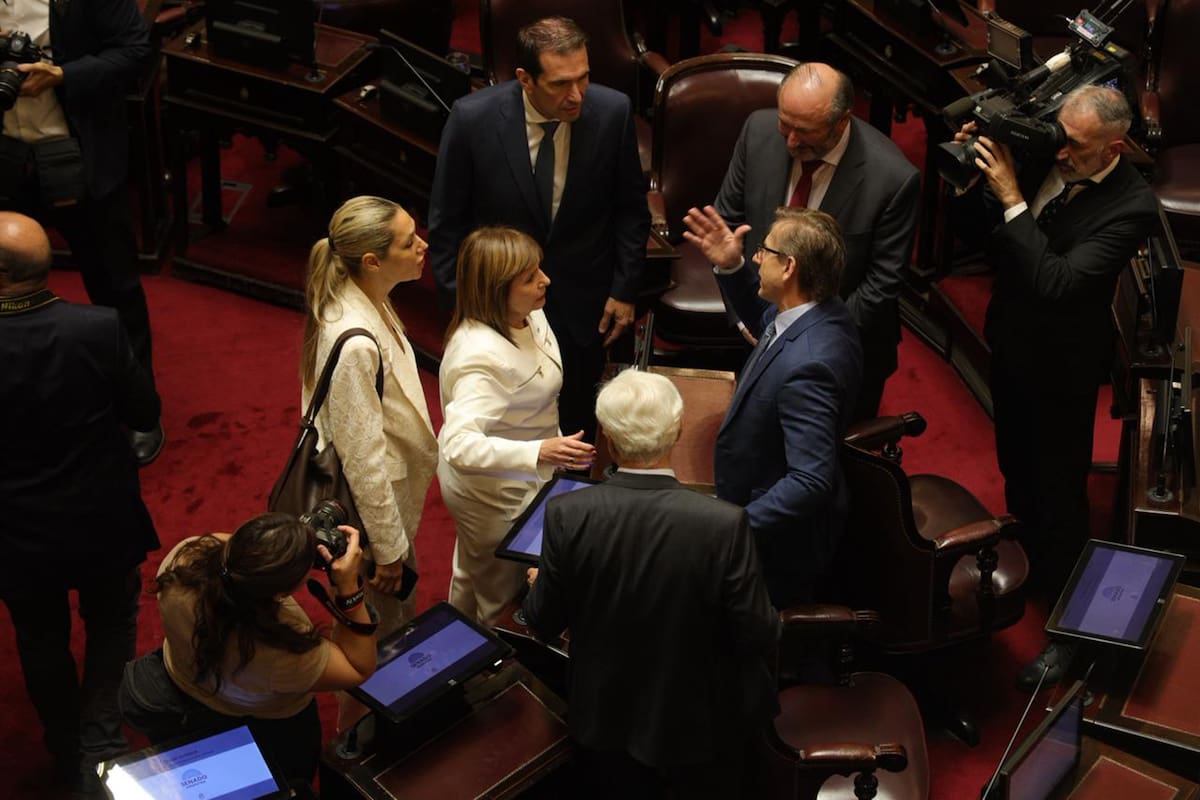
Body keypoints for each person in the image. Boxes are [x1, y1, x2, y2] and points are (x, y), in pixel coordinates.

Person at [953, 85, 1158, 689]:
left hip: (1063, 369)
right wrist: (975, 176)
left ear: (1113, 147)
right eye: (1059, 135)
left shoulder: (1133, 206)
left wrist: (1012, 196)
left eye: (1076, 144)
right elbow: (978, 235)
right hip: (1010, 340)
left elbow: (1059, 282)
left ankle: (1068, 633)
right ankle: (1034, 563)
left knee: (1061, 494)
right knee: (1016, 464)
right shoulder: (1046, 147)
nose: (1060, 151)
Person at [523, 369, 779, 799]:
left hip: (604, 720)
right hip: (700, 728)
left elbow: (542, 623)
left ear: (607, 436)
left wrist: (539, 584)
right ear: (677, 431)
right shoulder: (723, 524)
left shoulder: (567, 514)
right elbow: (759, 633)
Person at [428, 15, 650, 442]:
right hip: (499, 311)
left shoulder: (612, 112)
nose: (576, 95)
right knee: (509, 431)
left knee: (578, 426)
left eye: (583, 78)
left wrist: (624, 290)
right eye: (560, 84)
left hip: (585, 306)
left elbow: (630, 211)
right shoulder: (472, 120)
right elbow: (446, 225)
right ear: (525, 79)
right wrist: (463, 309)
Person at [0, 211, 159, 796]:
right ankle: (99, 736)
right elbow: (144, 414)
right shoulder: (97, 327)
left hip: (15, 533)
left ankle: (67, 746)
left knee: (39, 635)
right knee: (112, 623)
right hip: (101, 517)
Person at [0, 0, 163, 463]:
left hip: (78, 155)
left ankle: (141, 411)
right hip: (8, 160)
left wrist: (63, 75)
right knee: (7, 288)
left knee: (114, 286)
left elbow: (135, 49)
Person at [712, 62, 918, 421]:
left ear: (842, 121)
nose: (790, 141)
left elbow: (881, 284)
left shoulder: (893, 179)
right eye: (785, 124)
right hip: (755, 332)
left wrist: (804, 339)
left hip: (841, 347)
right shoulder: (758, 131)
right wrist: (745, 316)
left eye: (804, 131)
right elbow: (728, 221)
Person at [684, 205, 862, 607]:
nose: (756, 257)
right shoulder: (818, 312)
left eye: (765, 250)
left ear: (790, 268)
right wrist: (732, 268)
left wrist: (733, 527)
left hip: (774, 548)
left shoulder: (812, 363)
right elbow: (768, 321)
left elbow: (811, 480)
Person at [120, 513, 377, 786]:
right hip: (268, 724)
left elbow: (228, 550)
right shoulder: (282, 651)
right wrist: (349, 589)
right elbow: (358, 668)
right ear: (280, 595)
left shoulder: (181, 561)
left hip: (187, 682)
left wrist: (279, 544)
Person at [439, 226, 596, 626]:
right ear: (496, 289)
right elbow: (456, 445)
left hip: (523, 475)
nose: (545, 280)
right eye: (529, 278)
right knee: (498, 592)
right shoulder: (480, 357)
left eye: (538, 269)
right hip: (492, 492)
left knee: (472, 569)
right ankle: (490, 668)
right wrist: (539, 452)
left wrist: (550, 444)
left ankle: (457, 632)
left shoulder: (529, 313)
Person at [301, 195, 438, 636]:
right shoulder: (356, 341)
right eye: (408, 242)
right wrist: (388, 550)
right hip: (375, 519)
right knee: (382, 643)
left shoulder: (367, 294)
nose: (423, 245)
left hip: (389, 508)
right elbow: (362, 459)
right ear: (372, 261)